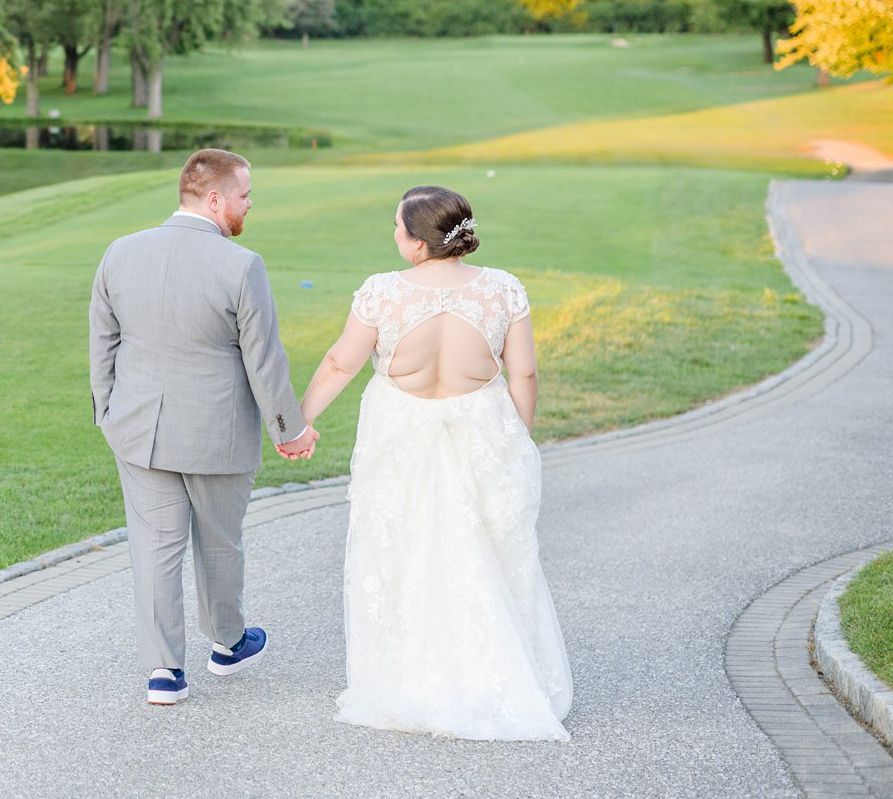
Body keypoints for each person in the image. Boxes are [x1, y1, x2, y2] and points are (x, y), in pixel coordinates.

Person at [288, 185, 572, 740]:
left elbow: (340, 364)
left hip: (401, 435)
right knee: (487, 551)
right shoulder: (504, 291)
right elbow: (525, 375)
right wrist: (519, 436)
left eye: (397, 227)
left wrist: (298, 424)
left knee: (402, 551)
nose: (393, 235)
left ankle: (409, 682)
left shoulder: (381, 294)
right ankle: (493, 680)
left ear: (418, 244)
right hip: (483, 431)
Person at [89, 149, 315, 706]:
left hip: (139, 431)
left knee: (154, 550)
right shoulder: (242, 265)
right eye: (244, 195)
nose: (249, 205)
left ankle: (163, 674)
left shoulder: (120, 253)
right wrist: (290, 429)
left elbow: (103, 343)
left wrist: (107, 412)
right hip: (218, 435)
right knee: (220, 544)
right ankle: (228, 644)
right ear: (214, 198)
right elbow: (265, 360)